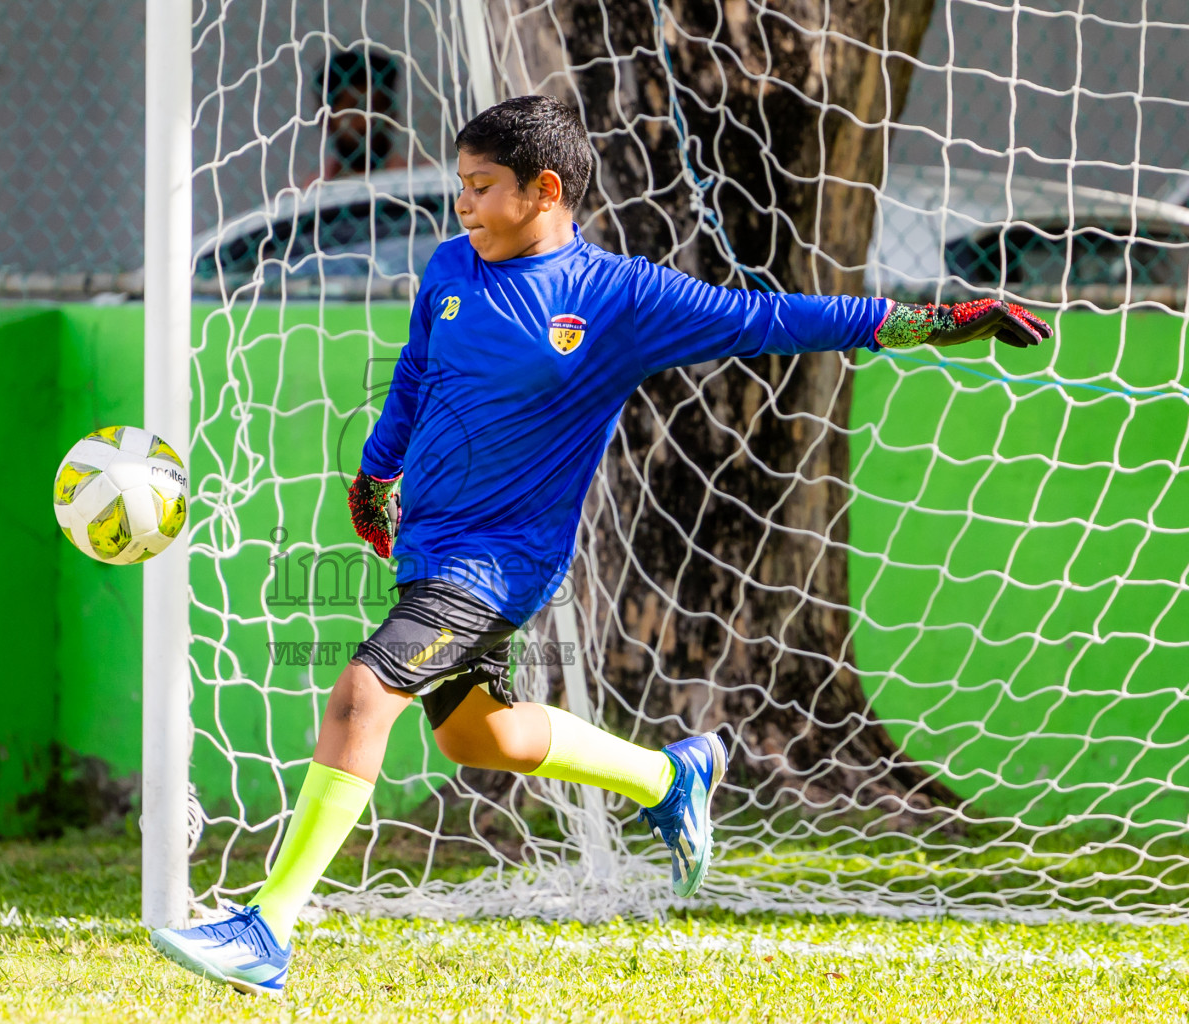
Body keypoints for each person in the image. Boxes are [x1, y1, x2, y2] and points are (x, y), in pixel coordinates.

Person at [150, 96, 1052, 995]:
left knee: (364, 690)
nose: (461, 204)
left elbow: (773, 318)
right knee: (479, 737)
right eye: (460, 186)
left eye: (479, 187)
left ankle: (268, 928)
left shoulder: (619, 297)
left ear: (544, 191)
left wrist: (940, 323)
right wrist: (376, 475)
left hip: (501, 563)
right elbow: (417, 375)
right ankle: (668, 776)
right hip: (432, 545)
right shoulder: (451, 267)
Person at [315, 46, 406, 180]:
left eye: (376, 107)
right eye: (353, 110)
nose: (366, 122)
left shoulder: (420, 184)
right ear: (325, 119)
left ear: (393, 113)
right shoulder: (307, 194)